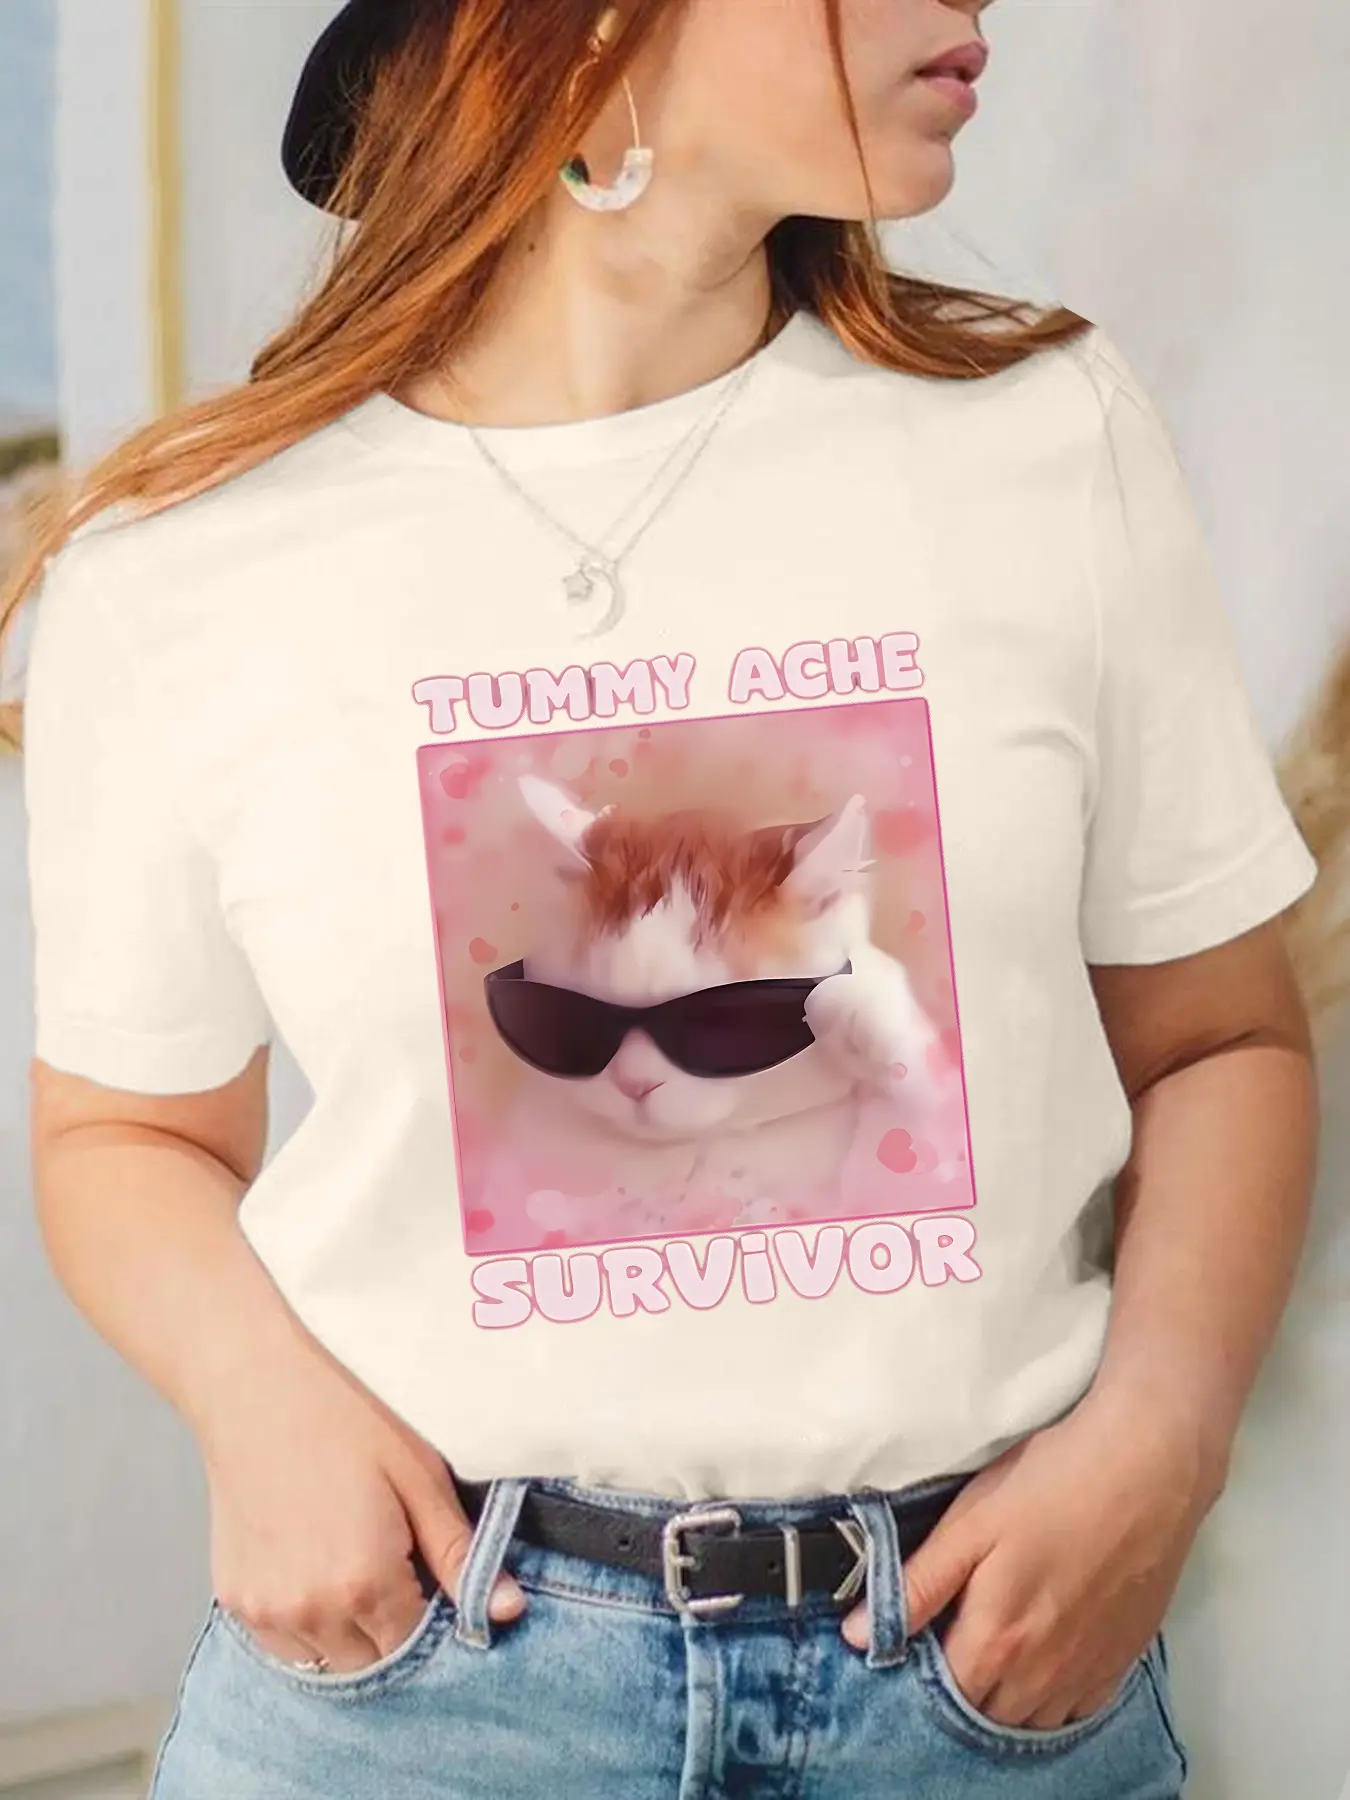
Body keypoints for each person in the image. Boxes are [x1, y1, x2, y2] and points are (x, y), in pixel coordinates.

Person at [3, 1, 1319, 1795]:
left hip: (971, 1681)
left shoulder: (1045, 437)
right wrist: (259, 1412)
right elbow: (122, 1131)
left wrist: (1163, 1438)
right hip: (435, 1683)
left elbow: (1220, 1040)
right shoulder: (184, 567)